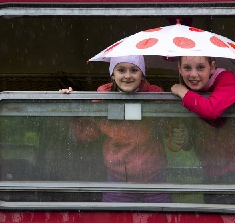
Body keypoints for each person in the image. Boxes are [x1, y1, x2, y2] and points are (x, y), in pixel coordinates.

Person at [61, 55, 171, 203]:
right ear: (112, 75)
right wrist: (71, 103)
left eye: (134, 70)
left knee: (160, 217)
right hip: (117, 179)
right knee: (114, 217)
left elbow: (168, 125)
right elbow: (87, 134)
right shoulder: (102, 99)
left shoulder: (155, 95)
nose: (127, 76)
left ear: (142, 74)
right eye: (121, 70)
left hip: (154, 177)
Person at [171, 56, 235, 204]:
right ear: (179, 68)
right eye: (187, 68)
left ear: (212, 67)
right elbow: (198, 130)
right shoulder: (192, 87)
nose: (193, 74)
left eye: (200, 68)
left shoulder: (227, 79)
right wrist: (186, 139)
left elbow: (211, 112)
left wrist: (182, 92)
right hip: (209, 171)